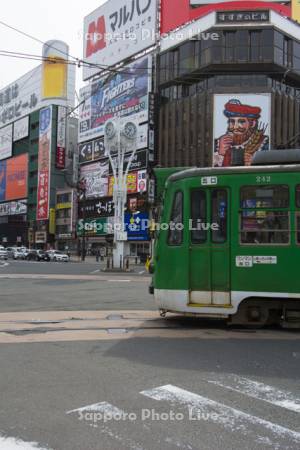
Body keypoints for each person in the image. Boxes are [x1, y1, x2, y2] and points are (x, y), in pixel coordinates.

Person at [214, 99, 269, 167]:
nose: (235, 127)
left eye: (241, 122)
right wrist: (220, 153)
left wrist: (254, 162)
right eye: (232, 121)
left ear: (252, 124)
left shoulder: (264, 142)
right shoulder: (218, 143)